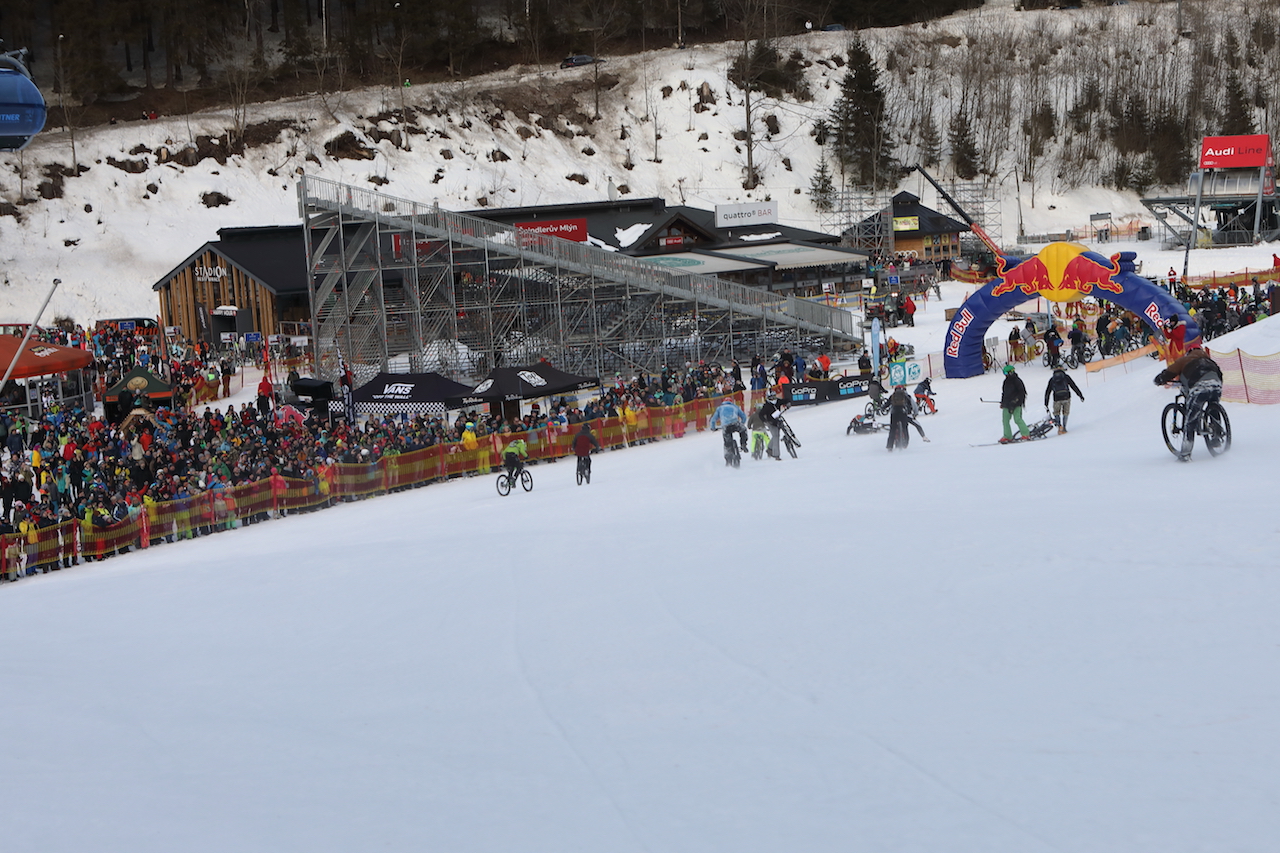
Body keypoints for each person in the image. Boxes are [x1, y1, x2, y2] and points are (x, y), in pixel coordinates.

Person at [1154, 346, 1224, 461]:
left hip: (1199, 388)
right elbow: (1220, 375)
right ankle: (1217, 435)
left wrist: (1159, 379)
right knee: (1213, 407)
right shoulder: (1210, 361)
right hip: (1216, 386)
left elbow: (1170, 372)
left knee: (1190, 420)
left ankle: (1185, 454)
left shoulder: (1185, 360)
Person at [886, 384, 928, 451]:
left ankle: (889, 446)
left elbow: (886, 404)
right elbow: (914, 405)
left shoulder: (892, 396)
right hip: (904, 414)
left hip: (894, 414)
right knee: (905, 428)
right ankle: (905, 444)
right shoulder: (907, 396)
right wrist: (915, 413)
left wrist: (883, 408)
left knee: (892, 429)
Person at [1043, 367, 1084, 434]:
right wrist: (1080, 395)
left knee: (1056, 413)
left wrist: (1046, 403)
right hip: (1066, 397)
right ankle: (1064, 428)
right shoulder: (1066, 377)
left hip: (1057, 399)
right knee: (1066, 413)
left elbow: (1048, 391)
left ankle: (1059, 426)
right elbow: (1073, 386)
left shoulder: (1052, 379)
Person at [999, 364, 1031, 443]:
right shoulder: (1006, 382)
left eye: (1006, 373)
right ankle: (1007, 436)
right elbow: (1004, 393)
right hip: (1007, 404)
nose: (1005, 375)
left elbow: (1022, 393)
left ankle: (1026, 434)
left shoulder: (1017, 381)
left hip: (1016, 404)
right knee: (1005, 420)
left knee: (1017, 419)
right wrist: (1003, 402)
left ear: (1011, 372)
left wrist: (1016, 401)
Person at [756, 392, 787, 460]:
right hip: (770, 422)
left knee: (775, 436)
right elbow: (761, 415)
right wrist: (765, 421)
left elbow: (785, 400)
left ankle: (770, 448)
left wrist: (788, 403)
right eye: (771, 398)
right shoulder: (766, 406)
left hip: (777, 420)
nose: (773, 399)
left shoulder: (778, 401)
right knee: (776, 436)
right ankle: (776, 455)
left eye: (774, 397)